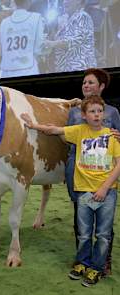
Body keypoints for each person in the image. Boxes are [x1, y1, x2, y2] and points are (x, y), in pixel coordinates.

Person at [21, 95, 120, 287]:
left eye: (100, 111)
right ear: (84, 115)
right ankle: (83, 263)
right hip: (83, 192)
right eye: (92, 111)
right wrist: (33, 125)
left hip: (106, 193)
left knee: (102, 235)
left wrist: (104, 188)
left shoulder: (112, 135)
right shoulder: (78, 131)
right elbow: (53, 129)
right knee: (83, 233)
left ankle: (97, 268)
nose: (97, 115)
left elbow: (118, 165)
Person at [65, 68, 120, 276]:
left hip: (104, 172)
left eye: (90, 82)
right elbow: (66, 136)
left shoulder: (112, 112)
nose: (86, 86)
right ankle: (82, 259)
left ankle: (104, 260)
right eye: (84, 82)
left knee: (104, 217)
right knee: (80, 212)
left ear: (102, 87)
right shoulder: (73, 112)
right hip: (77, 168)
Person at [45, 0, 97, 72]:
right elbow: (59, 41)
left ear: (78, 1)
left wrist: (52, 44)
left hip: (80, 68)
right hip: (64, 69)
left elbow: (73, 42)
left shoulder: (83, 16)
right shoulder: (64, 19)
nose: (64, 2)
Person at [0, 0, 45, 78]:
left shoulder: (4, 23)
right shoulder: (36, 18)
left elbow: (2, 52)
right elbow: (38, 48)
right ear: (29, 2)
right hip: (28, 72)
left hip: (6, 74)